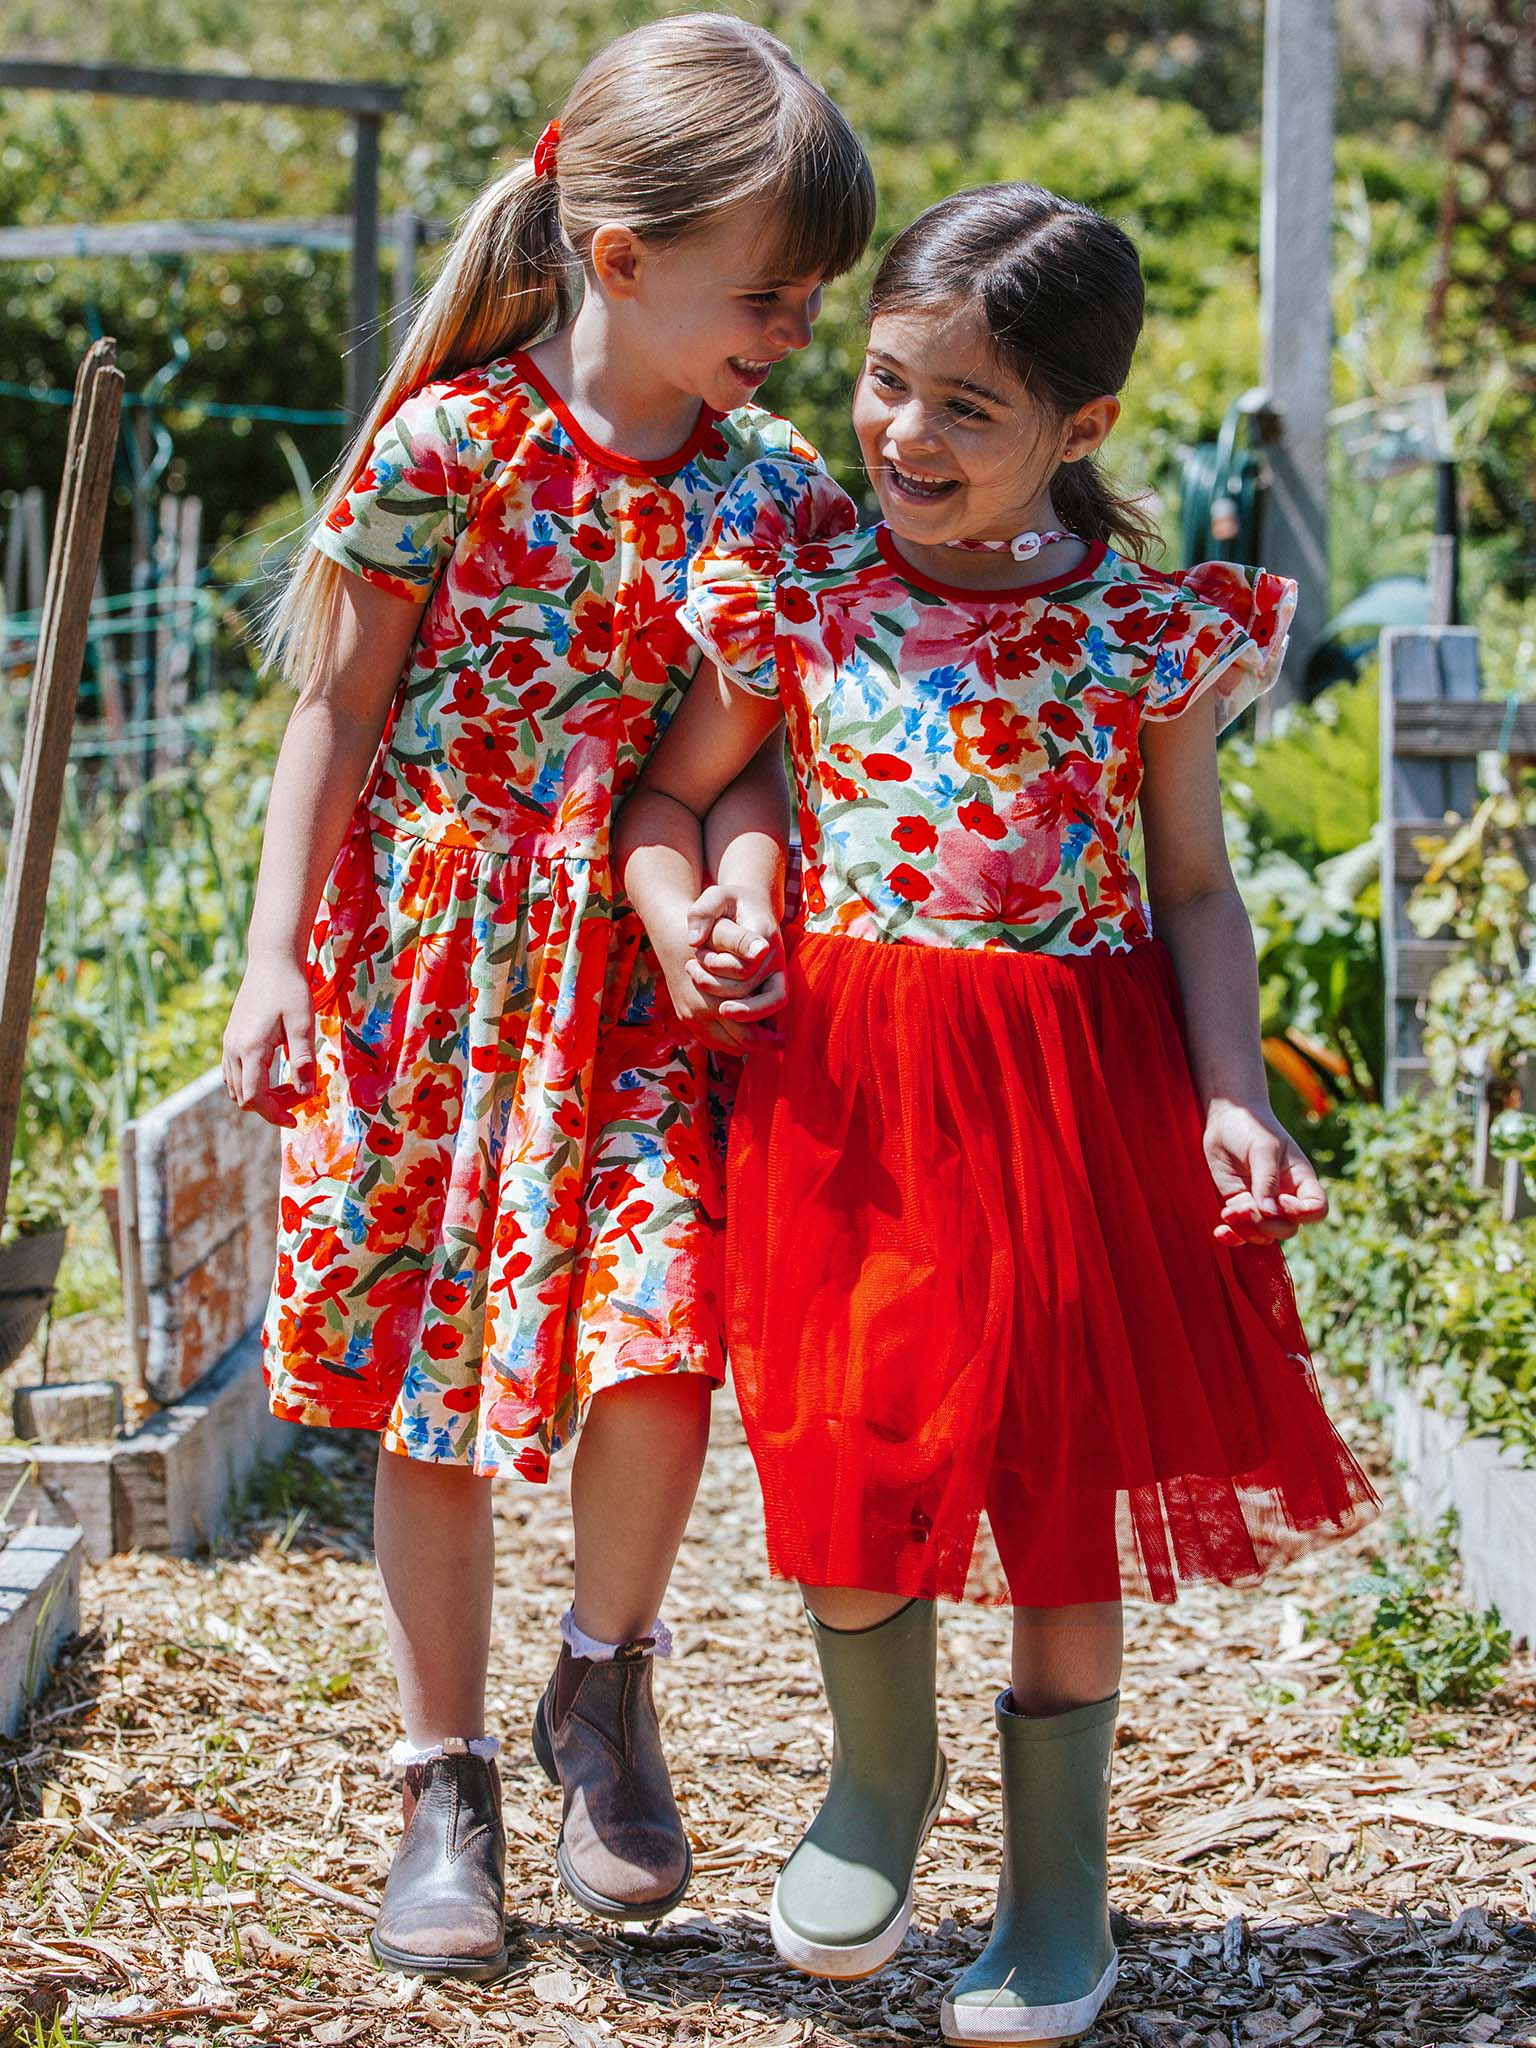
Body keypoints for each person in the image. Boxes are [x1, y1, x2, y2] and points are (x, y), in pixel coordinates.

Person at [614, 183, 1378, 2044]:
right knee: (842, 1433)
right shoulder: (800, 605)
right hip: (851, 1095)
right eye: (890, 384)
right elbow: (669, 802)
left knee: (1053, 1478)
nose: (907, 434)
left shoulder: (1146, 632)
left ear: (1081, 428)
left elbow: (1194, 890)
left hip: (1070, 1091)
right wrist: (700, 907)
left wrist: (1230, 1100)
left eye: (970, 407)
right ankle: (879, 1786)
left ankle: (1061, 1900)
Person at [220, 13, 873, 1981]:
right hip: (424, 969)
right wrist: (268, 960)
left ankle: (604, 1687)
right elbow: (336, 705)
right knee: (429, 1377)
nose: (796, 328)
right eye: (769, 291)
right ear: (619, 257)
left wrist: (735, 893)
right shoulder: (455, 444)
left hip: (633, 987)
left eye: (811, 294)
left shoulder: (767, 493)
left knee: (656, 1337)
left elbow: (741, 751)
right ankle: (444, 1779)